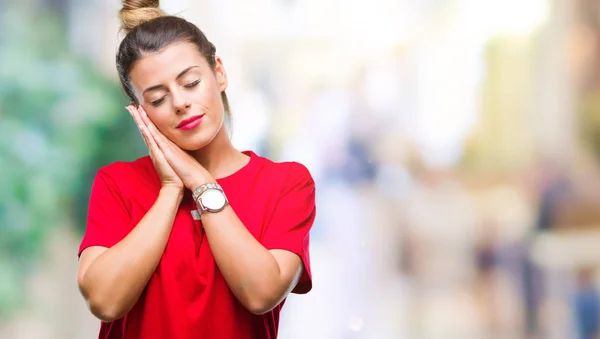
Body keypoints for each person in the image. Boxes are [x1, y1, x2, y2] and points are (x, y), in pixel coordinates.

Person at [75, 1, 316, 338]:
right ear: (140, 111)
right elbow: (105, 302)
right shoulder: (117, 183)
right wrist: (172, 188)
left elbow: (261, 294)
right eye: (158, 99)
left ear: (218, 72)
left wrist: (201, 182)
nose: (179, 103)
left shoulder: (286, 182)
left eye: (190, 83)